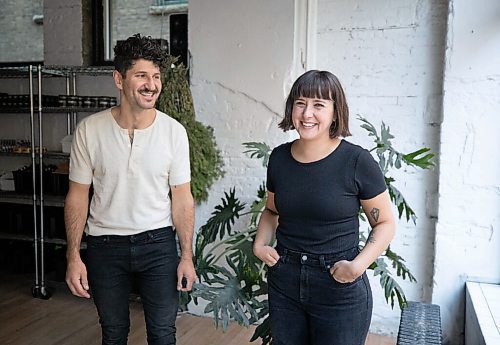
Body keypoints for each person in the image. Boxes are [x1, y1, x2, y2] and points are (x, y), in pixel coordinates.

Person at [64, 33, 197, 345]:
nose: (151, 84)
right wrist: (72, 255)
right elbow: (77, 196)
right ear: (119, 79)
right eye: (141, 75)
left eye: (155, 76)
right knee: (113, 334)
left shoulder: (174, 133)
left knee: (163, 335)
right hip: (104, 246)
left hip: (158, 245)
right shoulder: (89, 130)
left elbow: (182, 199)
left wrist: (187, 255)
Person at [253, 70, 396, 345]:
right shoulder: (279, 158)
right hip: (285, 280)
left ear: (335, 112)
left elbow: (385, 223)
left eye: (319, 105)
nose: (307, 114)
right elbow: (272, 211)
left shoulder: (356, 161)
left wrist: (357, 267)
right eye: (300, 102)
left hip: (338, 283)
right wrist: (260, 245)